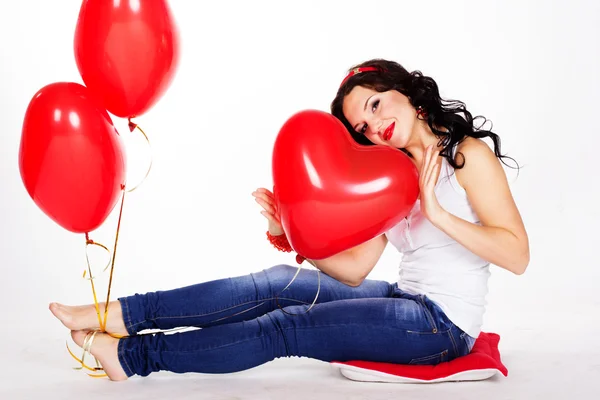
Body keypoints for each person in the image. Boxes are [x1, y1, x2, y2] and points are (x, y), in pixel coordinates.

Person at [49, 58, 529, 381]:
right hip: (406, 299)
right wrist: (293, 233)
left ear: (404, 92)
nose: (372, 125)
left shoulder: (465, 156)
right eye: (361, 126)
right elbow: (357, 269)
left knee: (287, 327)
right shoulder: (391, 175)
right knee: (277, 280)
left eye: (375, 104)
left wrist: (437, 211)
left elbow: (517, 255)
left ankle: (131, 358)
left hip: (441, 328)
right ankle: (120, 314)